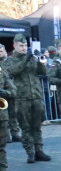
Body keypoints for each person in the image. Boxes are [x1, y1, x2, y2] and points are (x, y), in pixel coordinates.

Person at [6, 34, 51, 163]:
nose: (24, 48)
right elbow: (13, 71)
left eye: (25, 45)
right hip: (21, 98)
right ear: (15, 45)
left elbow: (43, 72)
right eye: (21, 45)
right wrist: (26, 60)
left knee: (37, 126)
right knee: (26, 127)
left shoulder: (31, 58)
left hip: (36, 96)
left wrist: (39, 61)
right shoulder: (10, 60)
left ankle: (39, 151)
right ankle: (30, 152)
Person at [0, 56, 15, 171]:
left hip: (1, 116)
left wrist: (4, 92)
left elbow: (13, 91)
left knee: (1, 145)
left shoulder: (2, 74)